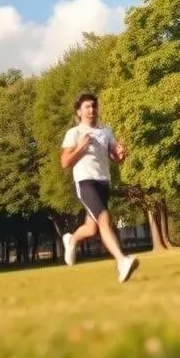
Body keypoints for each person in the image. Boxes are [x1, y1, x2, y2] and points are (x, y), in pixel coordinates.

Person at [60, 92, 139, 283]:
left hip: (104, 182)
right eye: (87, 107)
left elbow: (115, 158)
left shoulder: (106, 131)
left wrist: (120, 154)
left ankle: (71, 240)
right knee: (104, 219)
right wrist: (80, 147)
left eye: (94, 106)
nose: (91, 110)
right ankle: (122, 261)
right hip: (85, 182)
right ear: (79, 112)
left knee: (92, 228)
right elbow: (64, 162)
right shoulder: (74, 133)